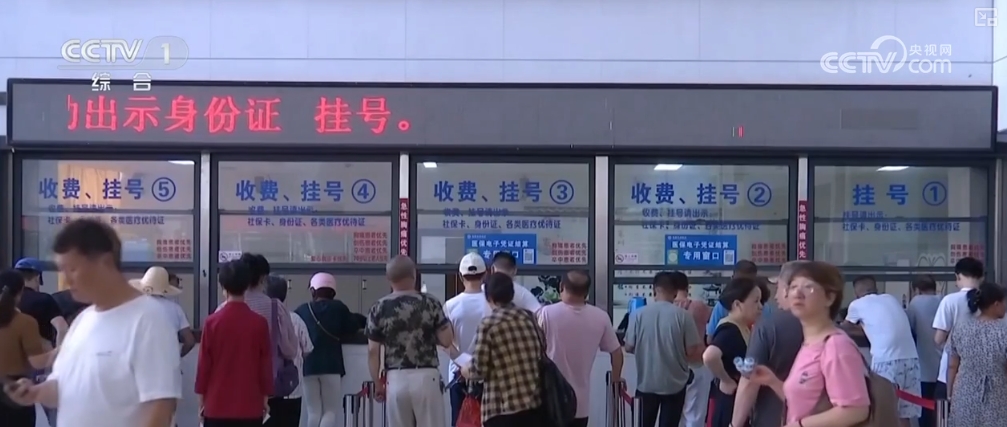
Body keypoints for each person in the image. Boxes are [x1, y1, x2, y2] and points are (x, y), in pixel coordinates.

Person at [3, 218, 182, 427]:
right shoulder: (82, 320)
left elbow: (160, 408)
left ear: (104, 262)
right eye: (62, 270)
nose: (67, 280)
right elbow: (63, 387)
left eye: (73, 269)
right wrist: (34, 392)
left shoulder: (149, 320)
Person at [748, 261, 870, 427]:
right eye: (793, 287)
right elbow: (804, 404)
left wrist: (800, 425)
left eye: (808, 287)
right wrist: (772, 381)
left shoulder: (836, 346)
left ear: (829, 297)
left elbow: (855, 410)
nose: (797, 293)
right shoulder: (810, 344)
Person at [365, 255, 459, 427]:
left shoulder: (378, 308)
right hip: (427, 377)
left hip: (395, 379)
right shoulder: (430, 302)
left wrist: (378, 384)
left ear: (388, 279)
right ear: (414, 275)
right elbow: (447, 340)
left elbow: (373, 351)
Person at [537, 270, 623, 427]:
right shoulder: (601, 317)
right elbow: (616, 352)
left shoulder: (546, 313)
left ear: (561, 286)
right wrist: (615, 379)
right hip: (580, 405)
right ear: (586, 292)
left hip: (549, 402)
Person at [462, 272, 547, 426]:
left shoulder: (488, 325)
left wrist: (465, 370)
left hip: (501, 409)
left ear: (489, 298)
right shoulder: (530, 318)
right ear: (512, 294)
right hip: (533, 406)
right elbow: (542, 349)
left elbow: (478, 370)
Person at [196, 260, 273, 427]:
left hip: (216, 405)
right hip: (250, 405)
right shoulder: (259, 323)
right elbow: (265, 365)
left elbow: (204, 366)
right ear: (246, 286)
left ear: (223, 287)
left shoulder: (211, 323)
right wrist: (265, 398)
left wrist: (202, 400)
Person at [624, 271, 703, 427]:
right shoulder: (684, 316)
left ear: (654, 290)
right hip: (675, 385)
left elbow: (628, 347)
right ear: (675, 292)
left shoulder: (637, 315)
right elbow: (691, 350)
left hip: (646, 384)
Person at [843, 275, 921, 426]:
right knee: (904, 415)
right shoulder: (890, 299)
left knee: (882, 411)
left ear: (856, 293)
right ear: (876, 288)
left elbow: (844, 328)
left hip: (886, 360)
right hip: (911, 359)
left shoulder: (856, 304)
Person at [218, 253, 299, 398]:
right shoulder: (276, 307)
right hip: (269, 383)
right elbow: (290, 349)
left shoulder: (222, 310)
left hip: (233, 384)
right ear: (262, 278)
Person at [294, 273, 359, 427]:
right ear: (333, 292)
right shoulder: (339, 308)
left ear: (313, 291)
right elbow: (353, 326)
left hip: (308, 366)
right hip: (332, 366)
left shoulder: (303, 310)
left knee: (313, 412)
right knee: (330, 411)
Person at [703, 277, 763, 427]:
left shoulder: (742, 326)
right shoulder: (730, 329)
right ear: (737, 304)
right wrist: (726, 380)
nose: (760, 306)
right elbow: (710, 356)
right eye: (756, 301)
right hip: (730, 404)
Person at [13, 257, 66, 427]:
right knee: (53, 414)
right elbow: (61, 327)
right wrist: (58, 356)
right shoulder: (44, 300)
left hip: (13, 367)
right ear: (37, 277)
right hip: (41, 364)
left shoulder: (7, 303)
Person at [946, 282, 1007, 427]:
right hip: (997, 396)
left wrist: (950, 393)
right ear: (996, 304)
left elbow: (952, 365)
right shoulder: (1004, 330)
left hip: (964, 393)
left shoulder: (961, 327)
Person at [0, 270, 55, 427]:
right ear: (20, 292)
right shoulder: (25, 322)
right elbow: (37, 362)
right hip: (15, 391)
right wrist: (60, 351)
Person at [444, 253, 490, 426]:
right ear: (485, 274)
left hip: (458, 376)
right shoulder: (493, 303)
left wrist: (464, 363)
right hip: (489, 375)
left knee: (460, 421)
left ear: (460, 276)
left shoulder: (450, 305)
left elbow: (445, 343)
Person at [933, 257, 984, 400]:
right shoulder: (991, 302)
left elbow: (938, 339)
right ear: (982, 277)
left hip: (950, 373)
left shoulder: (949, 301)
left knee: (945, 411)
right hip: (982, 373)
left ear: (958, 276)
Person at [266, 275, 313, 427]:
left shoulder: (259, 318)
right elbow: (307, 350)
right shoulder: (296, 319)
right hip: (292, 389)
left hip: (267, 390)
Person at [667, 271, 712, 427]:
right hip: (697, 364)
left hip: (671, 367)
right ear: (687, 287)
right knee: (695, 414)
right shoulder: (698, 307)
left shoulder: (666, 309)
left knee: (672, 414)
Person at [130, 266, 197, 360]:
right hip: (169, 363)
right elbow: (190, 341)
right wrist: (177, 356)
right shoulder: (175, 309)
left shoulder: (134, 307)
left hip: (141, 362)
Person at [905, 275, 943, 427]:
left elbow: (909, 328)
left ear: (916, 290)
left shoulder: (916, 303)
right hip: (945, 369)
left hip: (924, 368)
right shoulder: (944, 301)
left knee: (925, 412)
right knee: (942, 411)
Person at [706, 260, 766, 339]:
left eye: (748, 283)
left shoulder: (764, 308)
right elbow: (710, 338)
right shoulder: (722, 306)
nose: (743, 287)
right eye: (739, 283)